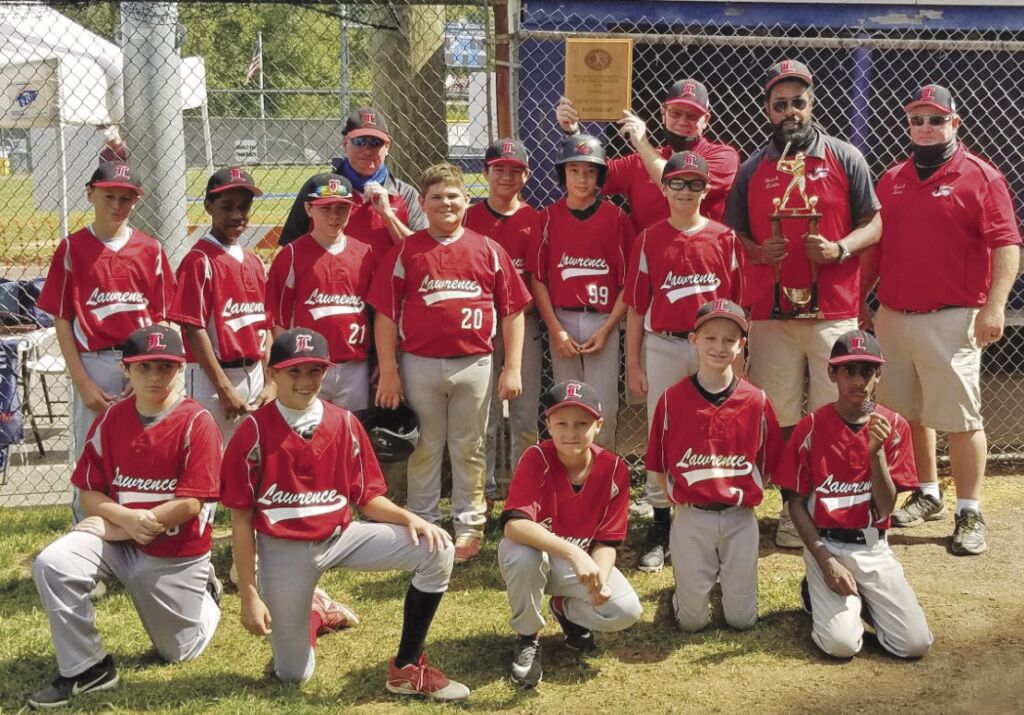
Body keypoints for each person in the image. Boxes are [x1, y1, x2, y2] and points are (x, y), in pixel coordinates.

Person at [220, 328, 469, 700]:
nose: (305, 382)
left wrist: (410, 519)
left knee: (439, 548)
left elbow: (367, 499)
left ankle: (406, 667)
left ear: (326, 372)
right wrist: (249, 596)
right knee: (293, 674)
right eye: (294, 372)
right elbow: (240, 519)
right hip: (283, 549)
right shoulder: (252, 432)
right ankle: (316, 612)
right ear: (272, 374)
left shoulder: (345, 423)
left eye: (314, 371)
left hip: (341, 537)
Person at [723, 59, 882, 549]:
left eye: (798, 101)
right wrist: (755, 251)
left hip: (832, 308)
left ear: (812, 103)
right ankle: (797, 505)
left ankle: (844, 502)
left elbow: (874, 223)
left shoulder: (845, 156)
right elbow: (737, 232)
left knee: (842, 408)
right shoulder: (753, 167)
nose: (790, 111)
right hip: (772, 312)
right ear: (768, 109)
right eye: (780, 104)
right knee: (783, 414)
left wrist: (840, 249)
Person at [28, 326, 222, 709]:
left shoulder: (197, 422)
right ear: (125, 369)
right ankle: (87, 667)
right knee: (53, 563)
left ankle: (207, 597)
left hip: (173, 550)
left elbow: (190, 503)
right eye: (144, 366)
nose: (155, 376)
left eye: (165, 367)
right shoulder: (111, 419)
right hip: (121, 537)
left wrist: (128, 522)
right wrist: (121, 520)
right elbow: (88, 493)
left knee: (179, 652)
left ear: (180, 369)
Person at [869, 84, 1022, 555]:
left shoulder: (981, 176)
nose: (926, 127)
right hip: (893, 315)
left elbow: (1006, 245)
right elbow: (875, 248)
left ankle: (969, 510)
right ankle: (928, 493)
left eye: (936, 119)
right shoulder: (892, 178)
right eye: (917, 119)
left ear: (955, 123)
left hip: (952, 317)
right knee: (908, 412)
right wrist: (859, 302)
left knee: (959, 417)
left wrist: (994, 306)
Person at [368, 163, 531, 563]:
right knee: (425, 445)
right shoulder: (407, 250)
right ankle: (423, 521)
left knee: (469, 445)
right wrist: (388, 370)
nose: (445, 203)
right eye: (436, 197)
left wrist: (511, 367)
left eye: (453, 196)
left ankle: (468, 525)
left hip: (474, 361)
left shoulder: (488, 249)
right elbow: (386, 314)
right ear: (422, 204)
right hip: (420, 362)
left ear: (467, 201)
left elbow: (512, 311)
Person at [775, 330, 933, 659]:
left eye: (866, 371)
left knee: (915, 644)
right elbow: (795, 503)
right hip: (826, 544)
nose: (858, 381)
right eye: (849, 370)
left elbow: (887, 507)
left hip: (872, 546)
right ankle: (816, 591)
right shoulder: (812, 426)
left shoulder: (894, 425)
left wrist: (876, 455)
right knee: (841, 646)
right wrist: (825, 560)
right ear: (832, 372)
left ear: (878, 375)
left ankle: (863, 603)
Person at [624, 151, 745, 573]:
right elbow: (638, 308)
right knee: (662, 426)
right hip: (664, 343)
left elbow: (738, 308)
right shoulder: (649, 238)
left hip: (712, 346)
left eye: (695, 183)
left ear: (706, 190)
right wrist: (634, 365)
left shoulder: (724, 238)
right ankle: (660, 522)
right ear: (663, 187)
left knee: (713, 425)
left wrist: (738, 362)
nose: (685, 191)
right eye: (677, 182)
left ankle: (711, 512)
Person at [36, 161, 175, 521]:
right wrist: (82, 381)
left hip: (144, 364)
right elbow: (63, 319)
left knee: (146, 446)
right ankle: (88, 535)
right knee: (92, 451)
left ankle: (140, 526)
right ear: (90, 194)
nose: (117, 205)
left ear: (136, 201)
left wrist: (146, 369)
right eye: (108, 195)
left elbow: (161, 317)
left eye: (126, 198)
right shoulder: (73, 249)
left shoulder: (150, 249)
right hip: (94, 362)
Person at [646, 300, 782, 631]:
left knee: (741, 621)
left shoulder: (756, 401)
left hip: (739, 518)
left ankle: (728, 587)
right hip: (692, 518)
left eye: (728, 340)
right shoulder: (672, 398)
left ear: (741, 346)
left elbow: (769, 461)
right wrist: (680, 502)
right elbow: (658, 463)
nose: (719, 347)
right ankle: (682, 594)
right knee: (691, 623)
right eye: (710, 338)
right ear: (693, 340)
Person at [499, 380, 641, 688]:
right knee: (522, 554)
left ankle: (564, 609)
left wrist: (599, 579)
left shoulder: (614, 469)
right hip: (539, 558)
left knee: (625, 610)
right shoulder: (536, 458)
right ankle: (527, 637)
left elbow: (607, 540)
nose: (571, 432)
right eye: (561, 423)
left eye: (582, 423)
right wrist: (575, 552)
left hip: (573, 568)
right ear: (548, 424)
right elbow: (515, 525)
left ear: (598, 425)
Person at [532, 133, 635, 451]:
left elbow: (627, 284)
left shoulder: (617, 219)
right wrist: (556, 330)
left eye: (590, 171)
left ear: (600, 176)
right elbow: (538, 279)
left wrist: (607, 330)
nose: (581, 178)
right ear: (563, 173)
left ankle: (603, 473)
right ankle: (569, 470)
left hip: (603, 320)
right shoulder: (546, 218)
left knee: (602, 402)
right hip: (561, 320)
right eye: (574, 170)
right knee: (567, 401)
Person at [464, 139, 544, 514]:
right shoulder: (469, 218)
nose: (507, 177)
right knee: (485, 416)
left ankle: (522, 492)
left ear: (526, 175)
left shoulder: (534, 219)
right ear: (485, 173)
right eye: (499, 169)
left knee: (525, 414)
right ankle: (486, 491)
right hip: (477, 325)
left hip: (521, 324)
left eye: (515, 170)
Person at [170, 167, 274, 442]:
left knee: (249, 463)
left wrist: (271, 380)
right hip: (212, 380)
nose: (237, 215)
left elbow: (265, 325)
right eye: (226, 207)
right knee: (210, 461)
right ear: (208, 206)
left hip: (254, 375)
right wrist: (224, 387)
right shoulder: (199, 260)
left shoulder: (253, 261)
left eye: (244, 207)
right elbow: (194, 329)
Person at [557, 78, 739, 227]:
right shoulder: (639, 161)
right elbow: (592, 174)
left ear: (705, 120)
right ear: (663, 113)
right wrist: (573, 133)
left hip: (698, 263)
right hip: (648, 262)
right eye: (675, 113)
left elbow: (676, 182)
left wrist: (642, 142)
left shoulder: (723, 156)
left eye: (692, 116)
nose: (683, 121)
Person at [266, 173, 376, 411]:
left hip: (354, 364)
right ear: (308, 209)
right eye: (325, 208)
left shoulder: (365, 253)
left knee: (351, 432)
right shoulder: (292, 254)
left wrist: (379, 360)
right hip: (307, 366)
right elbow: (278, 317)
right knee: (306, 430)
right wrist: (287, 365)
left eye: (342, 208)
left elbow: (375, 313)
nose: (334, 216)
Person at [279, 107, 427, 255]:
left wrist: (388, 215)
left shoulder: (405, 194)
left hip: (388, 278)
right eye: (360, 141)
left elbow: (422, 251)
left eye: (376, 142)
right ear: (345, 144)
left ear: (387, 147)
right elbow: (288, 248)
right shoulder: (318, 188)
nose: (367, 150)